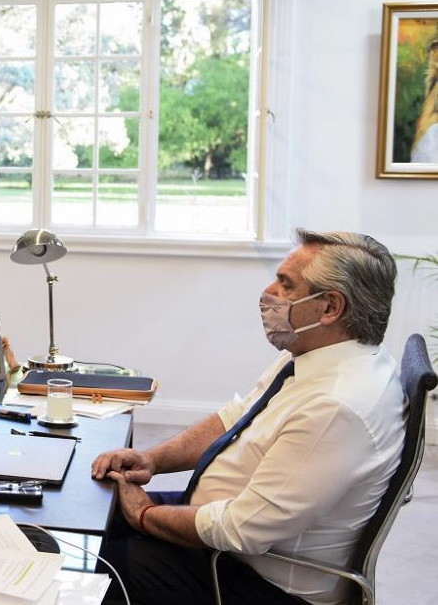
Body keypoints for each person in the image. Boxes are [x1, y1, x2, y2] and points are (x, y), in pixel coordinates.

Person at [91, 229, 404, 605]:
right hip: (220, 531)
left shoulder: (338, 407)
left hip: (248, 578)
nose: (269, 291)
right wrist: (153, 459)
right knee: (96, 510)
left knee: (88, 564)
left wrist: (144, 515)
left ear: (330, 308)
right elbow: (234, 420)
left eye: (286, 284)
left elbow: (241, 529)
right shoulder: (317, 355)